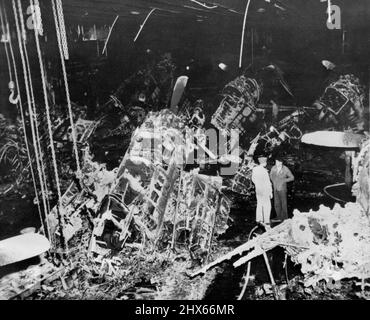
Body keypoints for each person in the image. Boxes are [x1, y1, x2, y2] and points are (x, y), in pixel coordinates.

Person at [270, 156, 294, 221]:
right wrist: (274, 182)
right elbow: (271, 175)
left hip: (282, 189)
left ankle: (285, 218)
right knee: (276, 204)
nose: (276, 163)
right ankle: (279, 217)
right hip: (275, 188)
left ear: (281, 162)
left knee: (283, 204)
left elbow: (292, 177)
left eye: (277, 162)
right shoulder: (273, 168)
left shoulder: (285, 169)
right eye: (275, 162)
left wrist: (284, 180)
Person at [251, 156, 273, 226]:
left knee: (259, 204)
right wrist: (270, 192)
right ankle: (266, 220)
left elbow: (253, 179)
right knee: (267, 205)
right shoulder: (264, 171)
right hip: (265, 190)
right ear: (264, 163)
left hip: (258, 190)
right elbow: (267, 183)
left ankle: (259, 219)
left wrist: (258, 185)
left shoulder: (255, 169)